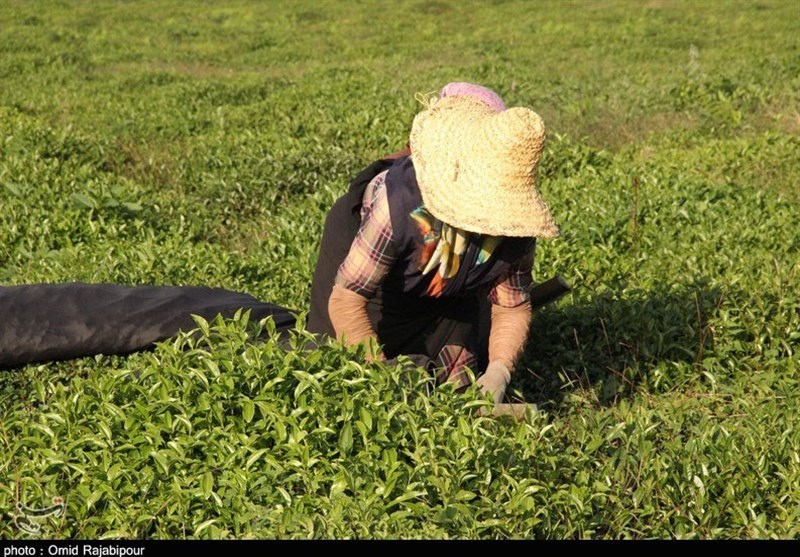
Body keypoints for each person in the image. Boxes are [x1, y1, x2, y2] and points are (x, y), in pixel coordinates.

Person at [307, 83, 560, 403]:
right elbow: (346, 301)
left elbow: (512, 308)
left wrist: (499, 371)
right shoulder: (398, 202)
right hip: (370, 274)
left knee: (456, 381)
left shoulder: (515, 227)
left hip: (446, 283)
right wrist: (382, 377)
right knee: (336, 373)